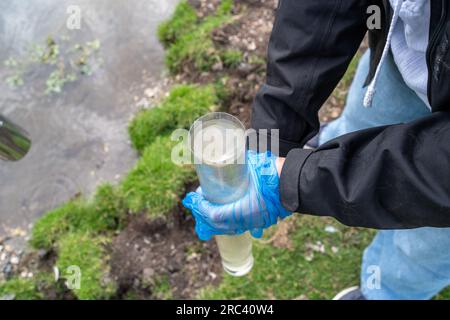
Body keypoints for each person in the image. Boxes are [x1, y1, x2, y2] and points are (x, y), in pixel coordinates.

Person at [183, 0, 450, 300]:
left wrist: (297, 180)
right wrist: (275, 139)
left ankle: (386, 293)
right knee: (361, 123)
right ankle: (325, 149)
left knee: (431, 241)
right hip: (407, 48)